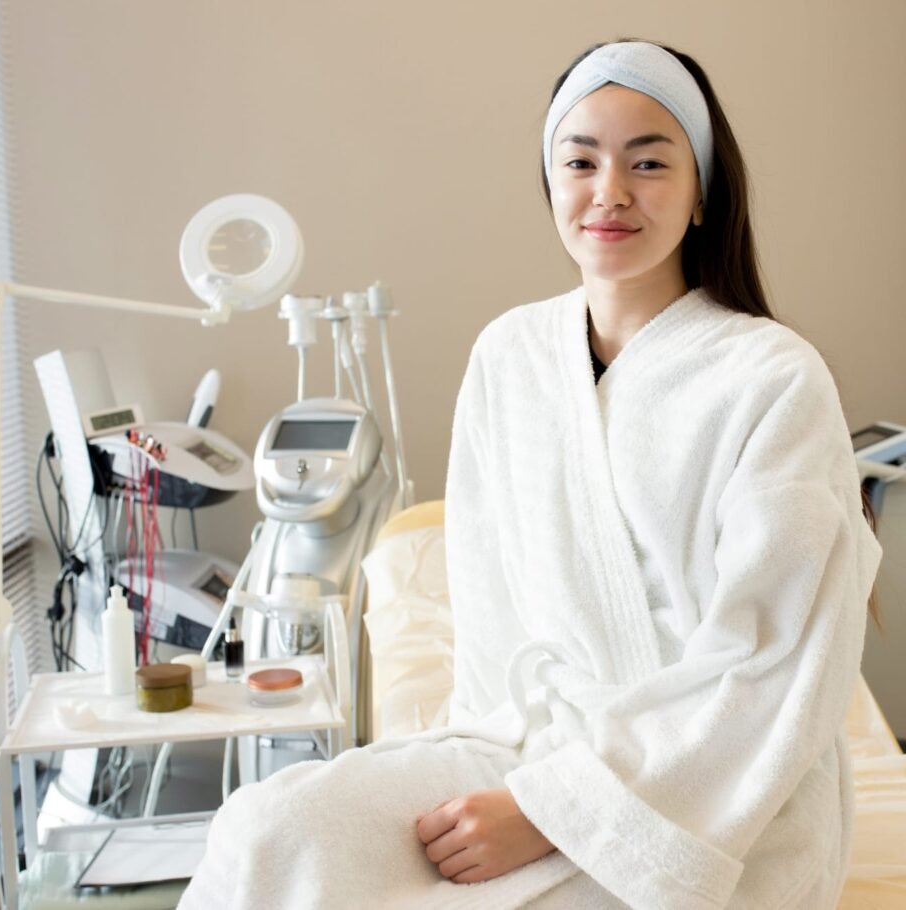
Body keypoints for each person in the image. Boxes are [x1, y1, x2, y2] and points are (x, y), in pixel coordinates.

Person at [179, 39, 882, 909]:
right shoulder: (509, 354)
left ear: (703, 191)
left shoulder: (775, 377)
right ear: (550, 184)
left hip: (713, 791)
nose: (609, 191)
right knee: (269, 832)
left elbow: (771, 660)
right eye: (579, 161)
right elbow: (490, 607)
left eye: (650, 162)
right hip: (527, 744)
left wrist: (554, 814)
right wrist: (513, 783)